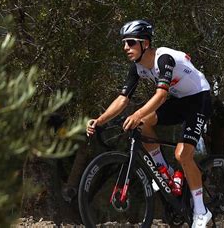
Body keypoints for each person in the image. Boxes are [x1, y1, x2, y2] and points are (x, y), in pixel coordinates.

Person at [86, 20, 212, 228]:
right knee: (142, 123)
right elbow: (122, 99)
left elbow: (161, 95)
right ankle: (165, 170)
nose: (126, 47)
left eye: (131, 43)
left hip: (199, 99)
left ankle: (201, 211)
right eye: (124, 43)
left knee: (183, 154)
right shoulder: (137, 67)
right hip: (180, 101)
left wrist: (136, 114)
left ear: (145, 43)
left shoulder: (164, 58)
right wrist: (100, 120)